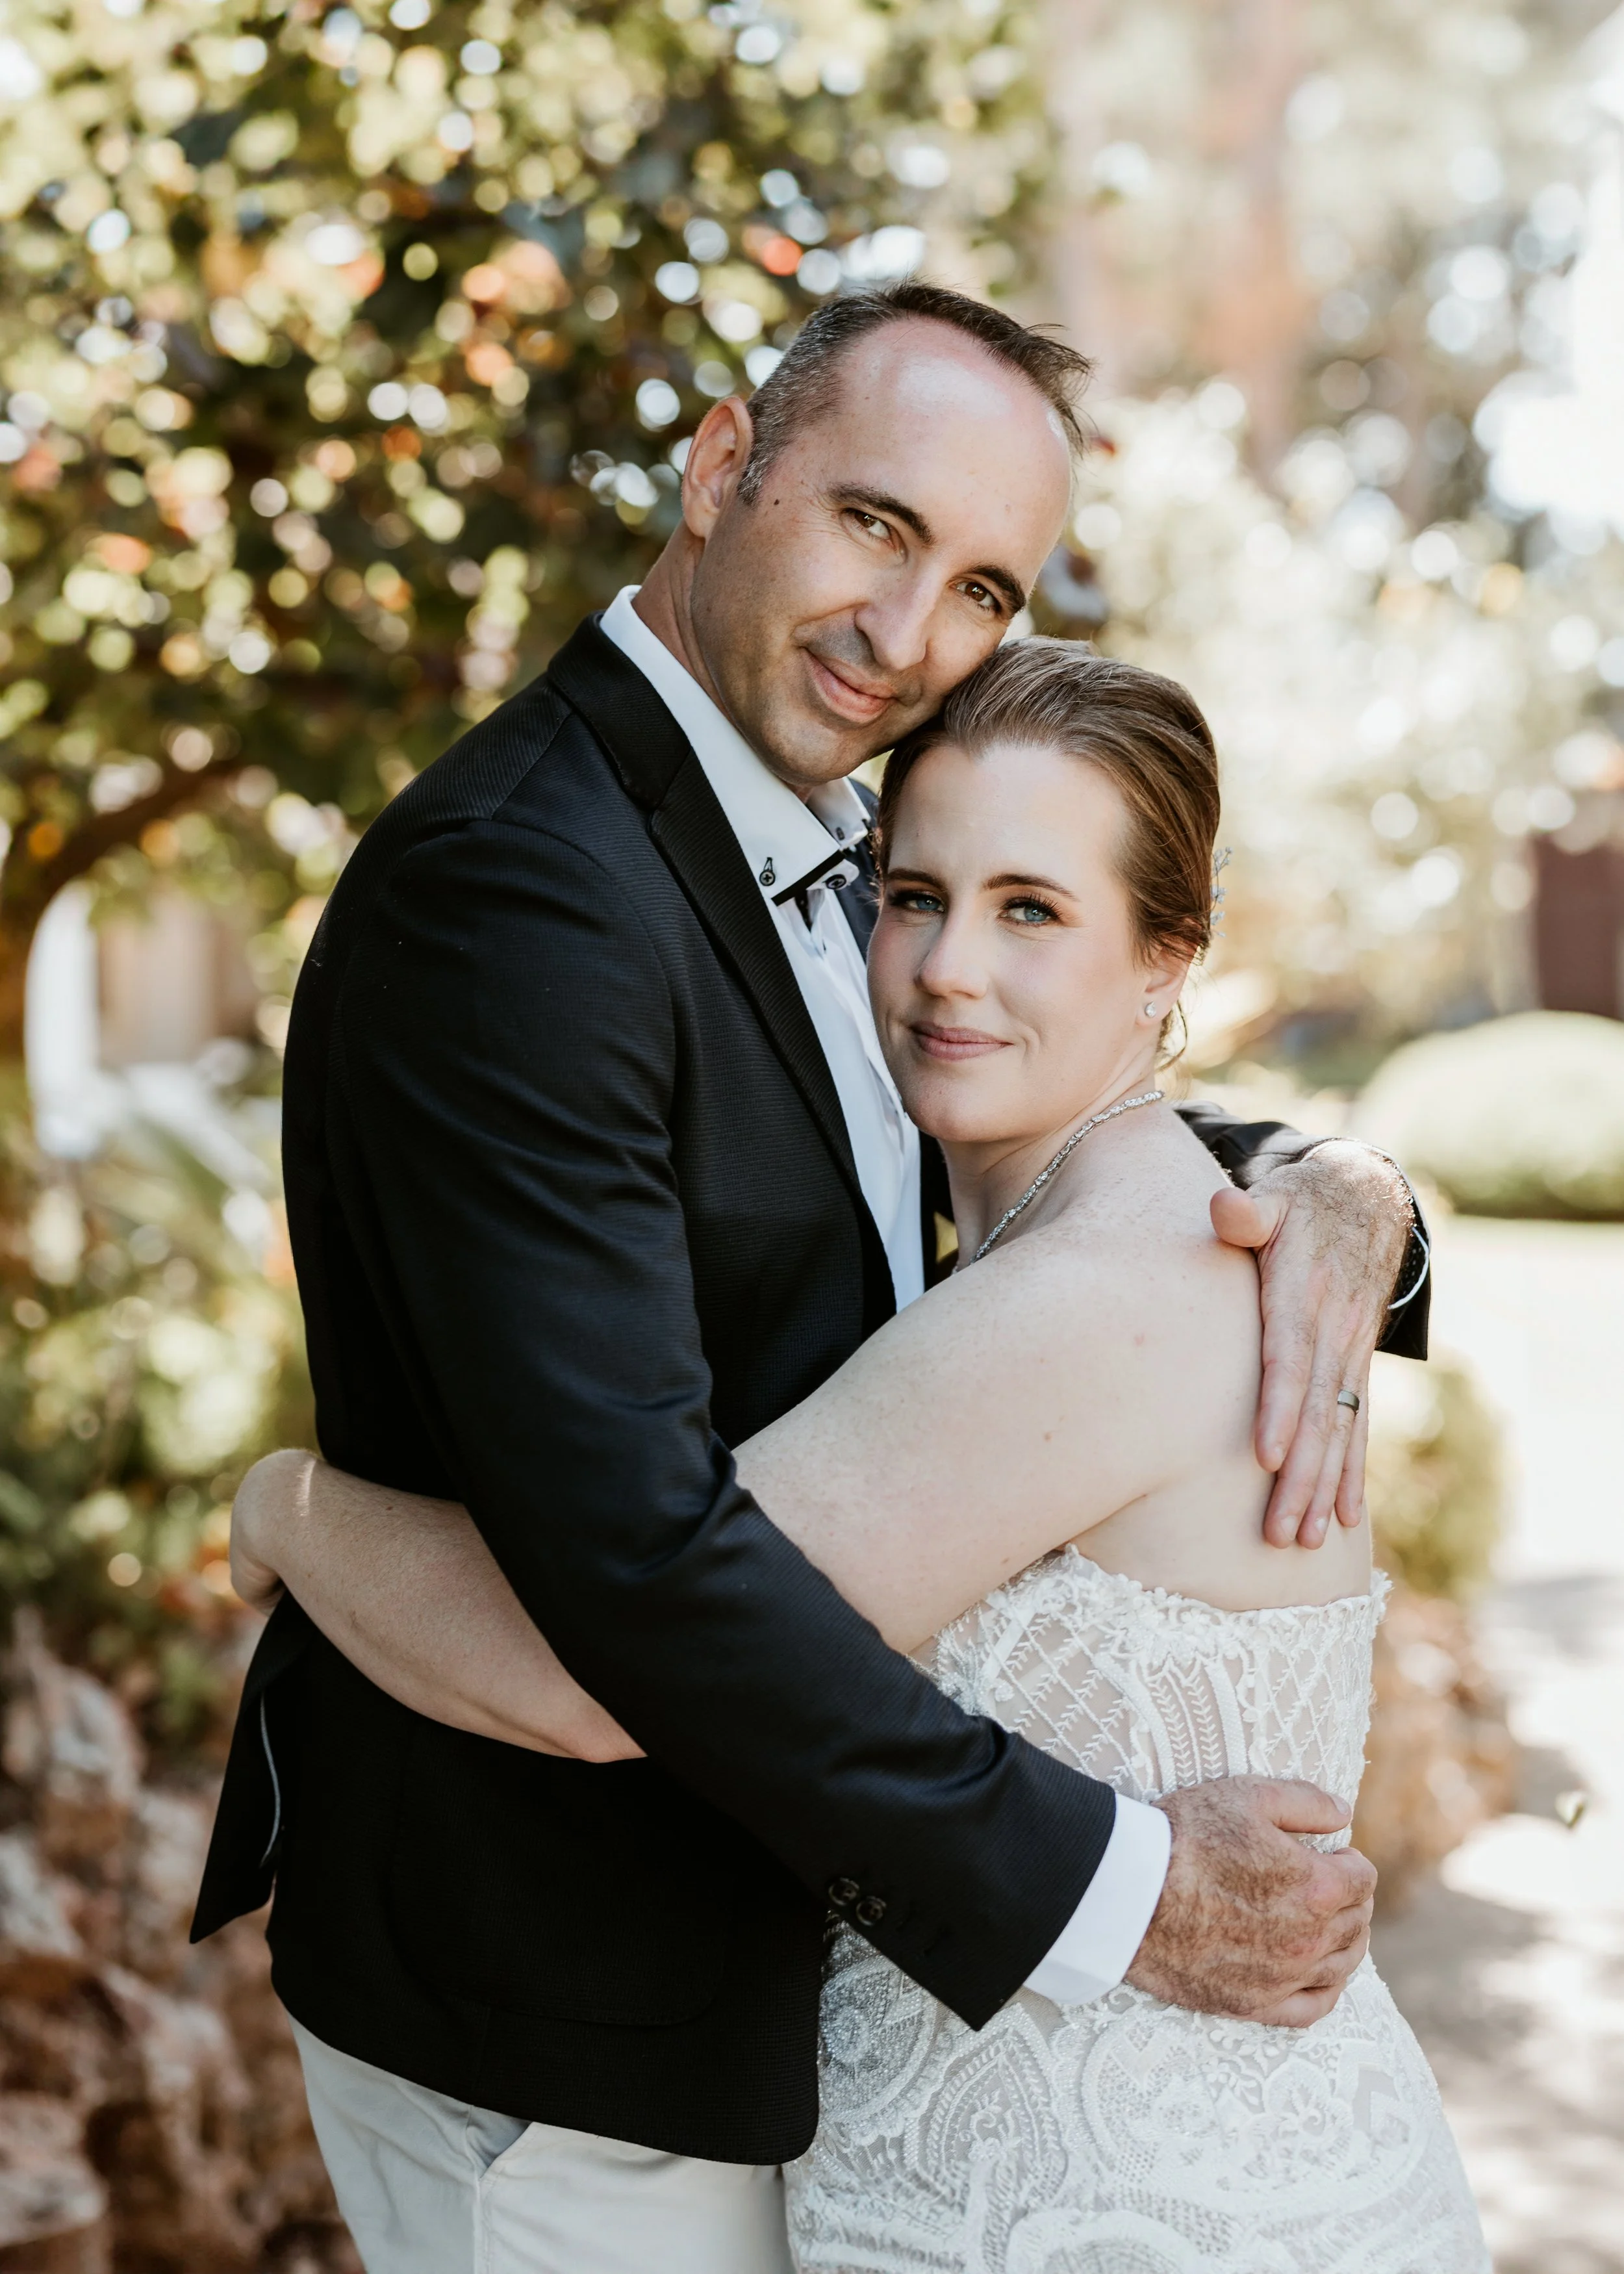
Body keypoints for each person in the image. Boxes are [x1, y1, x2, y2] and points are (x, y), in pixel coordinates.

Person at [194, 284, 1430, 2274]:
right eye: (872, 523)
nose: (905, 634)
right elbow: (644, 1586)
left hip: (804, 2029)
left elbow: (1039, 1123)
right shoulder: (525, 891)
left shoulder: (844, 849)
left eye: (977, 586)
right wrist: (1120, 1886)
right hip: (570, 2026)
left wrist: (1339, 1182)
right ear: (716, 468)